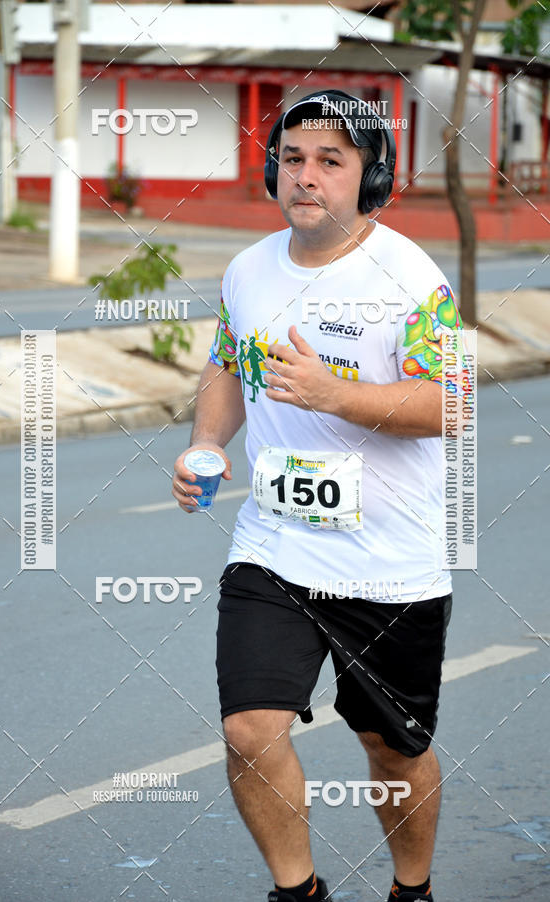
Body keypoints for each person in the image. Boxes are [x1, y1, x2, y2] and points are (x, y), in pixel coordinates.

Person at [172, 90, 465, 902]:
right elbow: (230, 365)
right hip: (275, 543)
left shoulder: (408, 276)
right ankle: (296, 893)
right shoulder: (247, 269)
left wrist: (334, 395)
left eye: (330, 161)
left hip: (390, 563)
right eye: (293, 157)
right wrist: (205, 442)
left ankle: (413, 890)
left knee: (391, 747)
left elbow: (452, 403)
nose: (306, 175)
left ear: (370, 178)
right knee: (247, 730)